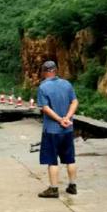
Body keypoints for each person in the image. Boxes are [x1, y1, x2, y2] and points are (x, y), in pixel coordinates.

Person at [36, 60, 79, 198]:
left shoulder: (43, 87)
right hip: (67, 129)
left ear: (45, 72)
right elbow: (74, 101)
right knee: (70, 159)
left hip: (52, 130)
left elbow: (45, 108)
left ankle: (54, 189)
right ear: (56, 70)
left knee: (52, 160)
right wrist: (67, 117)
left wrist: (60, 120)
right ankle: (72, 186)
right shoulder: (66, 84)